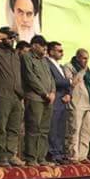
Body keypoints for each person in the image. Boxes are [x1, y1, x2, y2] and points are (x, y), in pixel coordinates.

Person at [0, 26, 24, 167]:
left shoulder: (15, 54)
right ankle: (1, 157)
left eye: (14, 37)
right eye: (9, 37)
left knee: (14, 129)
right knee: (1, 127)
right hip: (1, 94)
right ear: (2, 37)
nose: (12, 40)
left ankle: (10, 154)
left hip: (16, 96)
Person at [21, 35, 56, 166]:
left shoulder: (44, 60)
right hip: (35, 98)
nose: (45, 49)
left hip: (48, 99)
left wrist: (52, 92)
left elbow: (51, 78)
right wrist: (44, 93)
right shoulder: (27, 57)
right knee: (33, 128)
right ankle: (31, 158)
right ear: (34, 45)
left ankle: (41, 157)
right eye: (42, 46)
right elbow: (30, 77)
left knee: (44, 129)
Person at [64, 48, 90, 163]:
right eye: (83, 58)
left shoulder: (88, 70)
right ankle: (73, 156)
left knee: (87, 132)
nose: (86, 61)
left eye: (87, 59)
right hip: (76, 103)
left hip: (88, 104)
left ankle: (83, 156)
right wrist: (82, 71)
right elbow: (71, 83)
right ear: (77, 57)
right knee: (74, 130)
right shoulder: (69, 67)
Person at [45, 41, 71, 164]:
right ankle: (53, 153)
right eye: (59, 51)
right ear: (51, 52)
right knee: (53, 127)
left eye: (62, 50)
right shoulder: (47, 63)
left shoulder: (60, 66)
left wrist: (68, 93)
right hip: (54, 99)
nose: (62, 53)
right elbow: (54, 81)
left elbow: (64, 82)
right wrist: (70, 82)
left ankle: (60, 152)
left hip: (62, 100)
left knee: (61, 128)